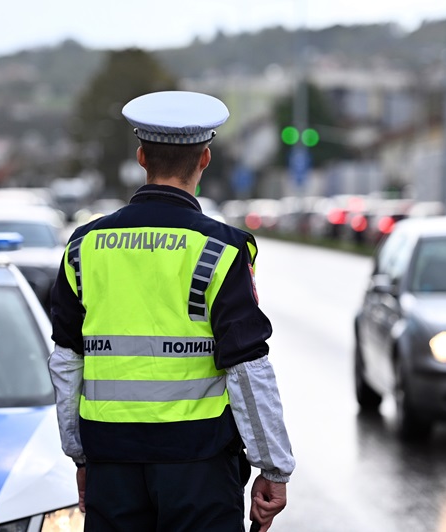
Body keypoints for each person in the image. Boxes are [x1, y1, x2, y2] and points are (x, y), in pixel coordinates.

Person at [48, 90, 295, 532]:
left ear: (142, 157)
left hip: (112, 463)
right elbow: (247, 368)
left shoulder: (84, 247)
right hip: (199, 468)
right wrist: (272, 467)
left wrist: (80, 456)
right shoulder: (223, 249)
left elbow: (67, 362)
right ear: (205, 160)